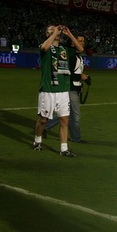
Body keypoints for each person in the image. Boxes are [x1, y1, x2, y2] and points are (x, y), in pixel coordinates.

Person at [32, 25, 84, 157]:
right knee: (43, 120)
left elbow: (80, 49)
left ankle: (63, 149)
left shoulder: (65, 49)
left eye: (55, 29)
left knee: (64, 120)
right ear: (47, 34)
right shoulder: (45, 47)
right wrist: (55, 33)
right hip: (48, 90)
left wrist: (69, 33)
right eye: (51, 29)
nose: (55, 29)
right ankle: (37, 141)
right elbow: (44, 47)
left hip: (63, 91)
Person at [44, 35, 89, 143]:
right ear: (73, 43)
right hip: (70, 88)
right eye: (79, 41)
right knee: (75, 115)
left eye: (83, 40)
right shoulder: (71, 55)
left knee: (66, 113)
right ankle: (75, 138)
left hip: (75, 88)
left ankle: (45, 127)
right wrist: (81, 77)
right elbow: (68, 73)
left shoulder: (77, 55)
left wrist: (82, 80)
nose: (82, 42)